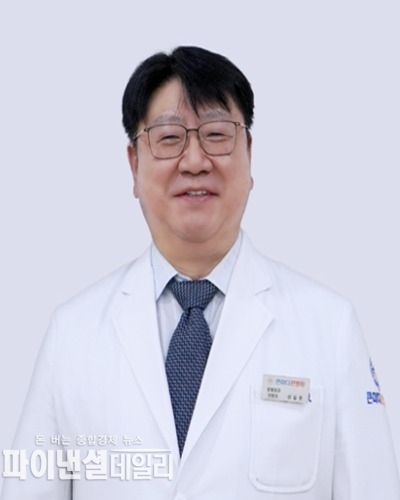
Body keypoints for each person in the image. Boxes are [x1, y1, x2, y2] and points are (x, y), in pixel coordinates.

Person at [1, 46, 399, 500]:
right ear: (134, 164)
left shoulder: (329, 327)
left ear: (249, 154)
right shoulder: (71, 335)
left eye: (216, 134)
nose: (194, 161)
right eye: (169, 138)